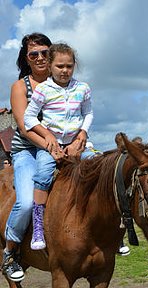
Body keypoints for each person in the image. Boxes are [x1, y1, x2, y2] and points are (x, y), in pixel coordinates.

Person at [24, 43, 93, 251]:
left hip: (77, 143)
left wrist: (82, 134)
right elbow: (28, 116)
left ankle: (111, 227)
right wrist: (47, 138)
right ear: (50, 66)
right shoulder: (43, 90)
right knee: (43, 174)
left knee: (98, 168)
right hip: (51, 146)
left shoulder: (83, 88)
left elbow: (88, 113)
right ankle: (38, 225)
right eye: (60, 66)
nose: (65, 71)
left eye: (69, 66)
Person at [1, 33, 53, 282]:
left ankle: (116, 235)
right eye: (35, 54)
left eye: (45, 52)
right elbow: (24, 127)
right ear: (27, 58)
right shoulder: (20, 87)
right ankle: (10, 252)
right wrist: (51, 146)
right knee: (26, 202)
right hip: (28, 151)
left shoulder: (62, 81)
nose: (41, 58)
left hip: (59, 148)